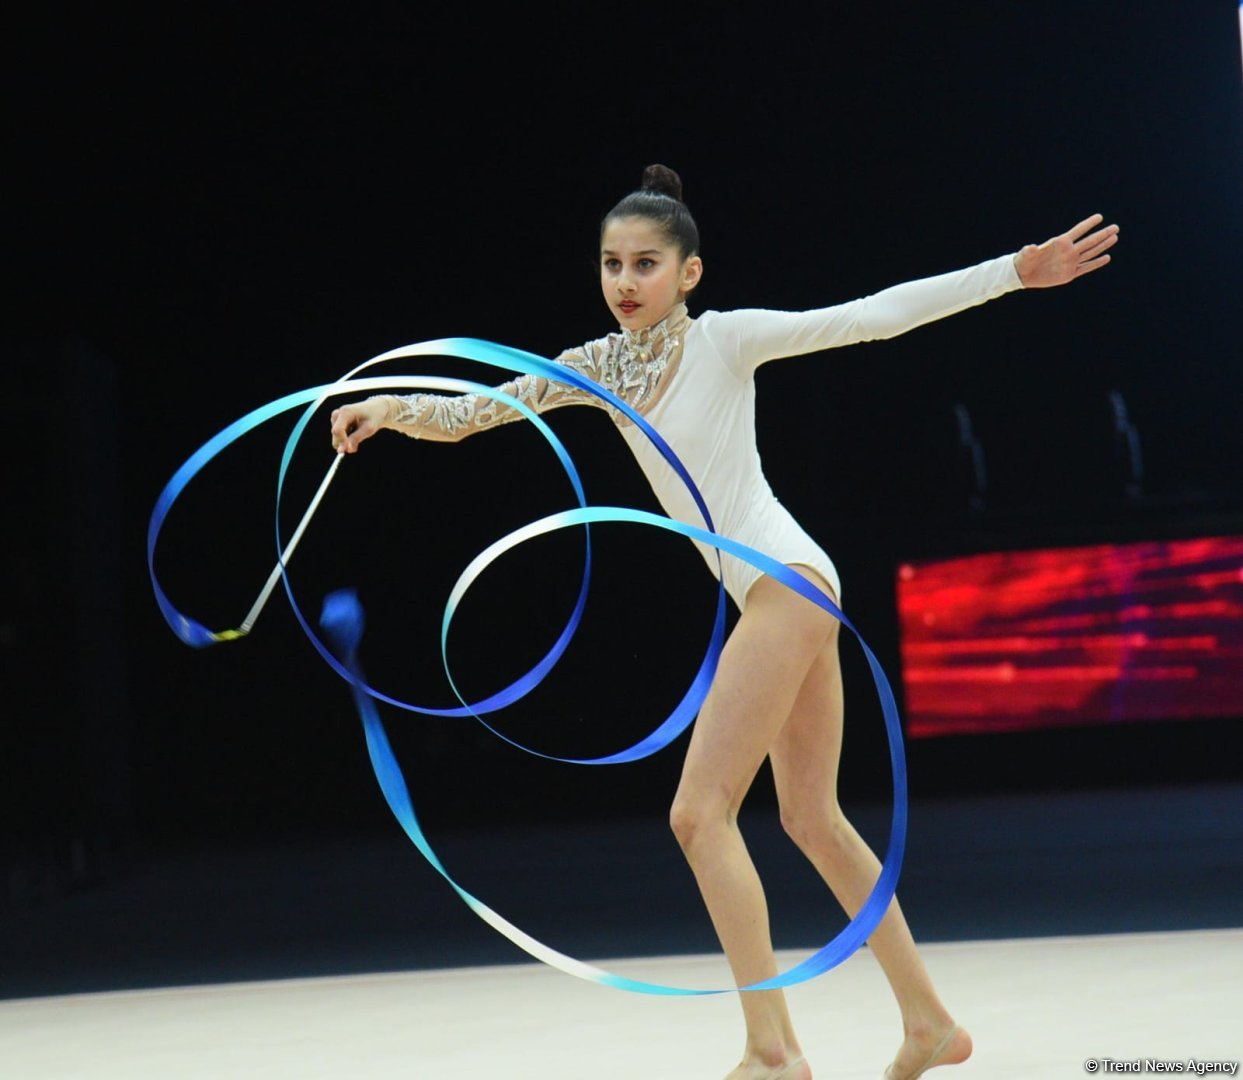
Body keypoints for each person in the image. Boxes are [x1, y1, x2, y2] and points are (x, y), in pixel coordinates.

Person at [330, 165, 1118, 1080]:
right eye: (611, 263)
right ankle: (929, 1024)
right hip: (779, 588)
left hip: (784, 580)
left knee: (700, 814)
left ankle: (771, 1050)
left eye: (646, 264)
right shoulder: (595, 368)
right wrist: (389, 409)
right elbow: (473, 414)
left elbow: (868, 316)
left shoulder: (725, 340)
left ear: (689, 273)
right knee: (811, 817)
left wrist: (1010, 273)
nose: (626, 281)